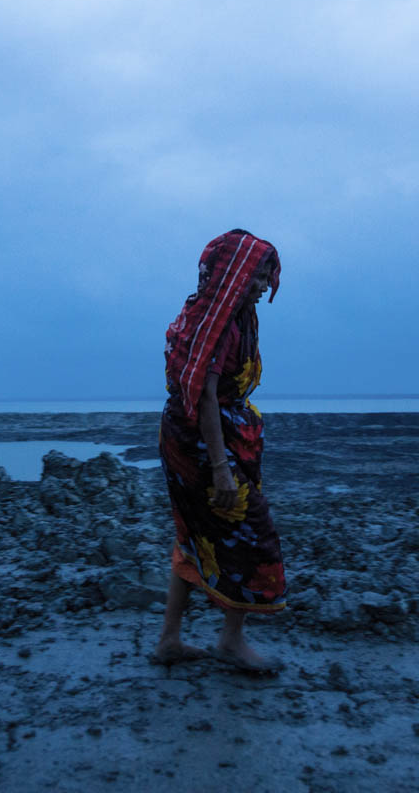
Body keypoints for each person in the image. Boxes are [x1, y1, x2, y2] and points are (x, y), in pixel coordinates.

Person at [153, 229, 287, 673]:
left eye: (268, 274)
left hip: (194, 437)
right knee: (252, 534)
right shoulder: (218, 324)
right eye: (259, 273)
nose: (265, 283)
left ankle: (169, 640)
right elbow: (205, 398)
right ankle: (231, 641)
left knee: (193, 534)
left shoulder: (229, 315)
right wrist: (222, 470)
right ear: (234, 272)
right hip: (202, 444)